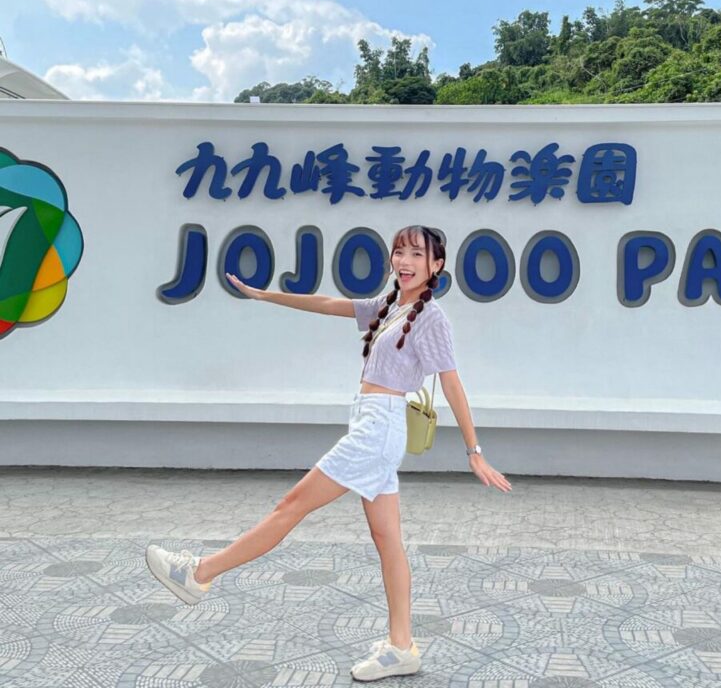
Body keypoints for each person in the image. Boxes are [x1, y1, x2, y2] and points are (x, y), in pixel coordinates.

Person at [142, 225, 513, 682]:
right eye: (399, 251)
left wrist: (474, 451)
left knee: (291, 505)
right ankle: (402, 646)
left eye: (417, 253)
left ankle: (200, 573)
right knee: (388, 541)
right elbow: (327, 304)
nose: (405, 260)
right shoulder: (390, 305)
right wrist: (265, 295)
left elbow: (452, 382)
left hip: (378, 428)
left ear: (436, 265)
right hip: (371, 423)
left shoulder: (431, 318)